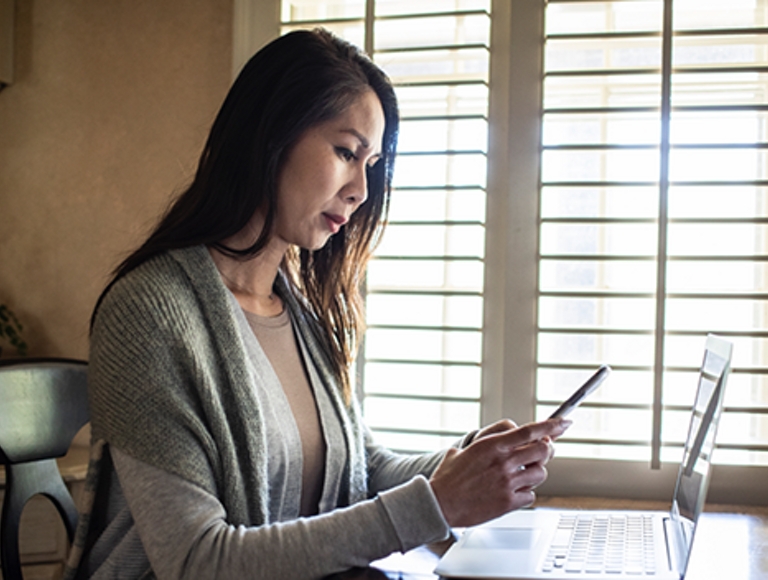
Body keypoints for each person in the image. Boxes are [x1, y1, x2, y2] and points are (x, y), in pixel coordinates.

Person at [65, 28, 571, 580]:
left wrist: (466, 469)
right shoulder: (147, 314)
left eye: (371, 164)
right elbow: (196, 561)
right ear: (270, 136)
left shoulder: (297, 307)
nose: (361, 190)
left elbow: (363, 468)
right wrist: (436, 505)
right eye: (346, 152)